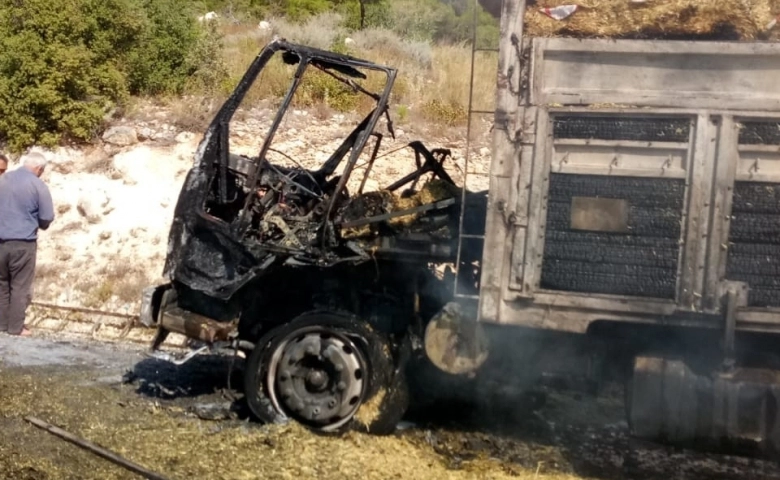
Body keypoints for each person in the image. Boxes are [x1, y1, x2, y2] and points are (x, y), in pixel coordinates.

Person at [0, 152, 54, 336]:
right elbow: (46, 217)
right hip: (23, 242)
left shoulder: (3, 179)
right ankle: (16, 327)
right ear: (39, 169)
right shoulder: (38, 185)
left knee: (2, 284)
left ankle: (1, 324)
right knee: (20, 286)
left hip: (1, 241)